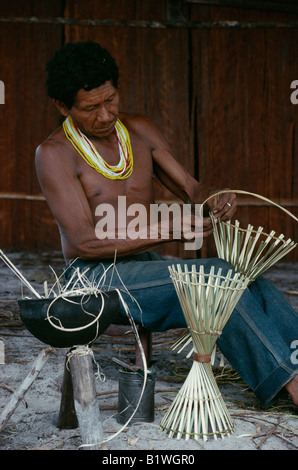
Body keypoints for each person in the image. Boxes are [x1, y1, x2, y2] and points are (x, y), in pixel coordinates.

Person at [36, 41, 298, 408]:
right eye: (91, 108)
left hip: (142, 267)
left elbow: (193, 189)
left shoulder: (138, 130)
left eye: (110, 99)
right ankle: (291, 385)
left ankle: (296, 364)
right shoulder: (55, 154)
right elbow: (83, 243)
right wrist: (168, 231)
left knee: (245, 275)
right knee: (216, 278)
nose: (106, 114)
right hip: (92, 278)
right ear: (62, 106)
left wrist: (215, 198)